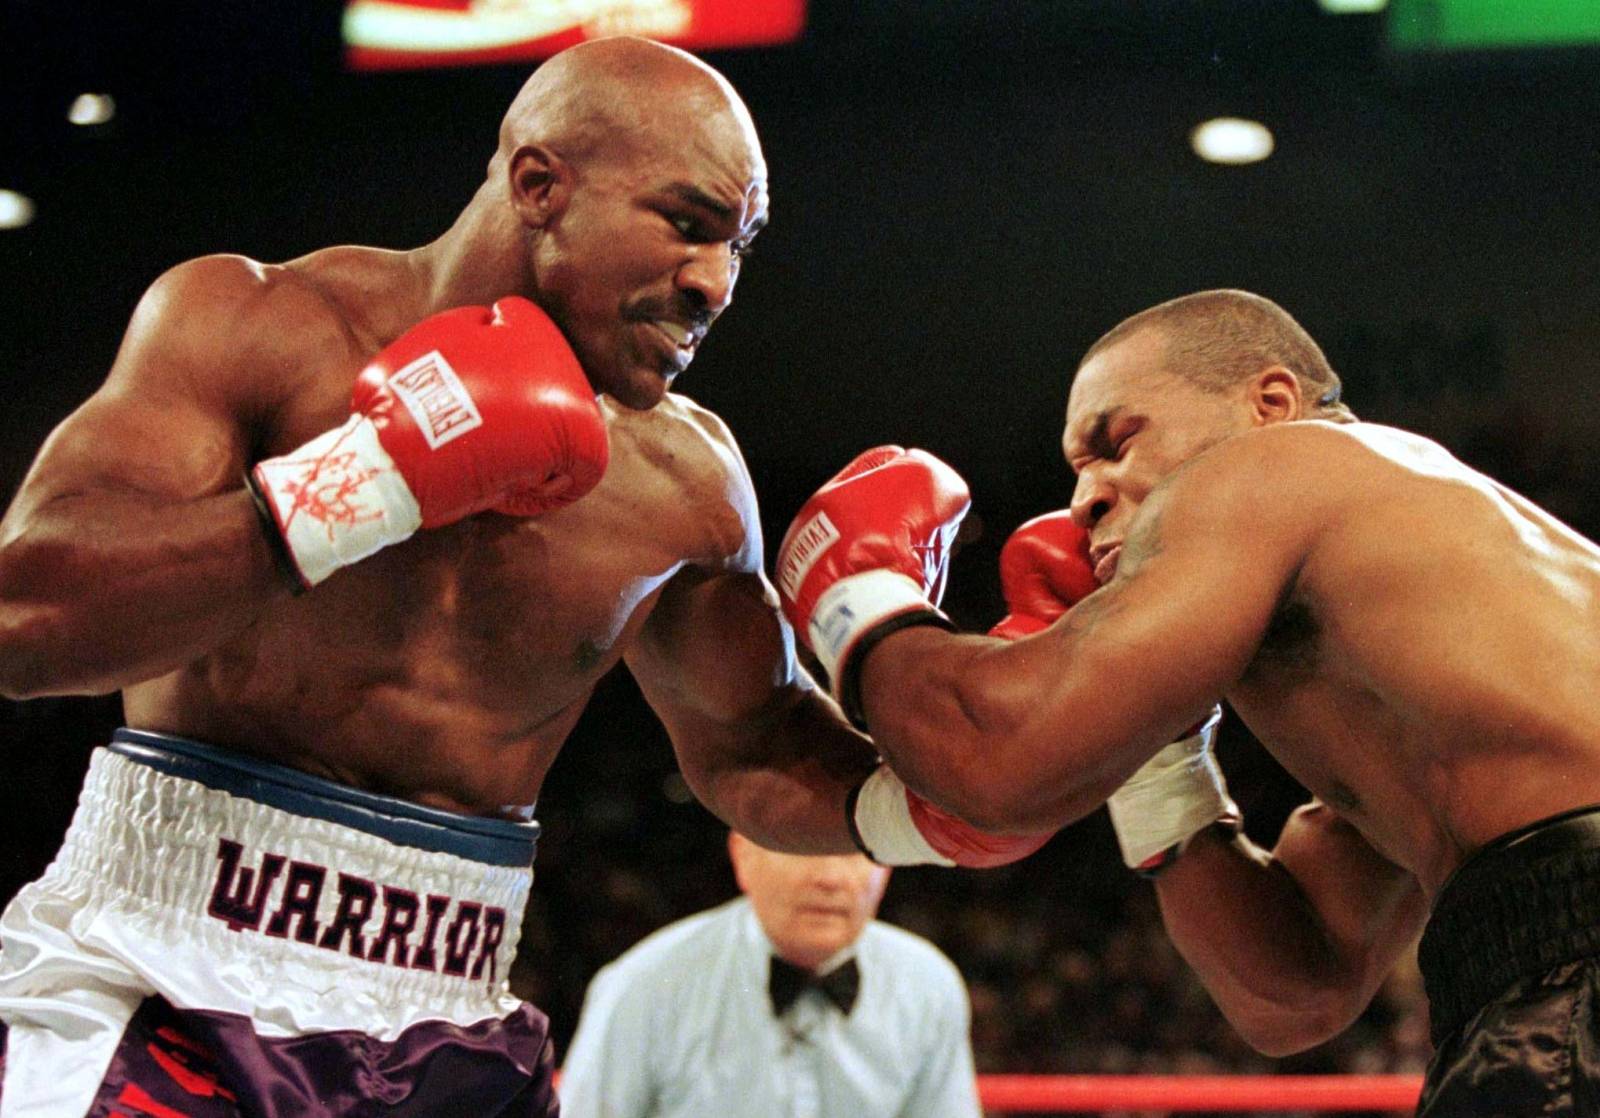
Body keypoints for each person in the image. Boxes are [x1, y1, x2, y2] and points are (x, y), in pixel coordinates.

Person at [0, 35, 1044, 1116]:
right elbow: (25, 621)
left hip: (451, 1016)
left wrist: (927, 807)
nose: (715, 283)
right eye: (687, 224)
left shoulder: (686, 479)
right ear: (539, 185)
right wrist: (363, 483)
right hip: (165, 972)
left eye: (738, 246)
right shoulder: (258, 326)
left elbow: (750, 748)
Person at [776, 288, 1600, 1115]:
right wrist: (1158, 759)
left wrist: (860, 600)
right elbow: (1292, 996)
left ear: (1270, 405)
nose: (1082, 500)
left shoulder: (1284, 462)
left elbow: (996, 759)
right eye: (1076, 472)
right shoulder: (1437, 695)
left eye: (1116, 443)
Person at [558, 831, 982, 1118]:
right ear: (742, 854)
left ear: (887, 867)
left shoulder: (928, 986)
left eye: (858, 852)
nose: (830, 878)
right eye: (803, 849)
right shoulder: (646, 983)